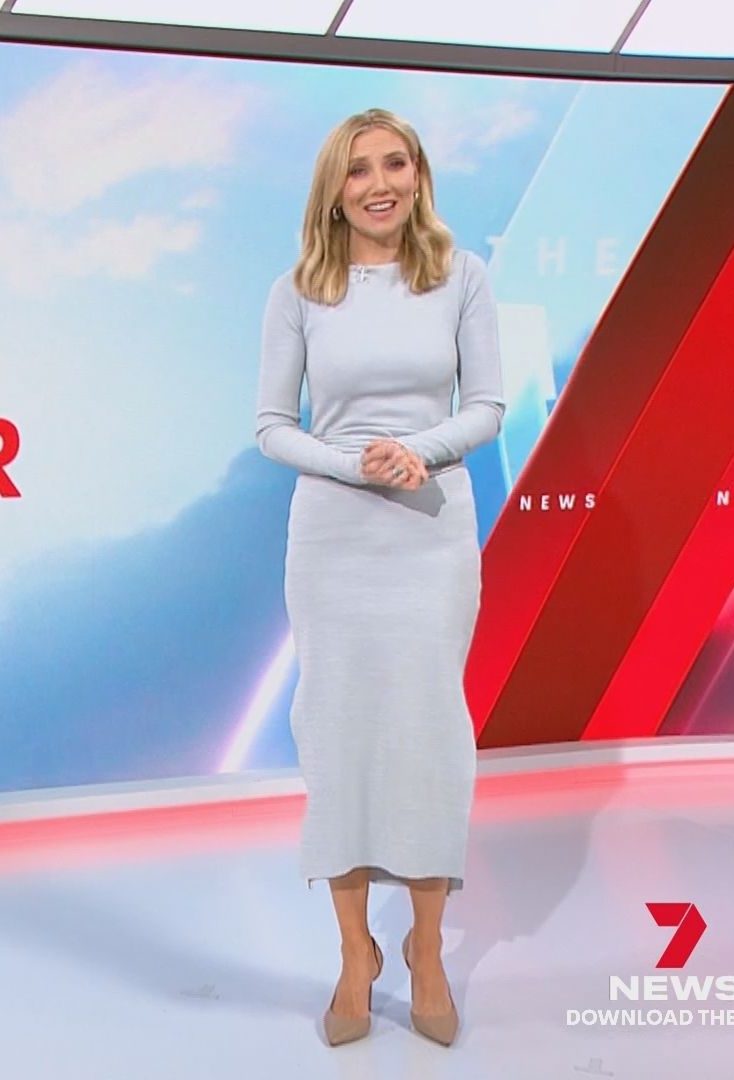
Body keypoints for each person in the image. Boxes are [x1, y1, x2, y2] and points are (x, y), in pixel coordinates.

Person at [254, 107, 505, 1048]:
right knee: (342, 734)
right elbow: (272, 425)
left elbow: (487, 406)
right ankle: (354, 952)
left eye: (395, 164)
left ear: (418, 175)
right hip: (335, 537)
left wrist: (418, 452)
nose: (379, 184)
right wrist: (351, 463)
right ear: (335, 189)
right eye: (358, 170)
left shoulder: (460, 276)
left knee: (427, 732)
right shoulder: (298, 291)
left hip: (430, 529)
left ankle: (426, 950)